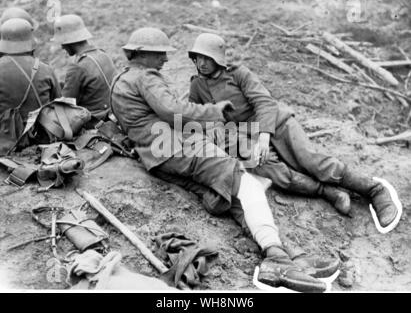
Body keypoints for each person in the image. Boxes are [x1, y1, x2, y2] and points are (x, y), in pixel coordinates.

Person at [111, 27, 340, 292]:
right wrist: (214, 111)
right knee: (248, 184)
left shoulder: (121, 80)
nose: (165, 59)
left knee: (232, 197)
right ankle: (276, 260)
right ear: (143, 54)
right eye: (160, 54)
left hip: (156, 159)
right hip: (178, 148)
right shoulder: (147, 77)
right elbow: (172, 110)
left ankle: (286, 255)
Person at [187, 33, 402, 233]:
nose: (202, 63)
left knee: (311, 161)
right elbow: (196, 112)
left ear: (218, 58)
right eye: (198, 58)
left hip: (275, 122)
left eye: (207, 58)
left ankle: (373, 189)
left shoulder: (238, 74)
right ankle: (327, 192)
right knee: (276, 173)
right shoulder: (197, 86)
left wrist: (264, 135)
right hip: (244, 136)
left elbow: (264, 101)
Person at [0, 18, 61, 153]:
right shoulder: (45, 69)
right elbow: (57, 104)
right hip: (42, 139)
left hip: (5, 143)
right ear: (31, 42)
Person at [52, 14, 117, 124]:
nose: (62, 47)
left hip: (93, 120)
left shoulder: (77, 67)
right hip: (112, 114)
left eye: (63, 42)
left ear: (69, 41)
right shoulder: (103, 54)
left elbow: (66, 104)